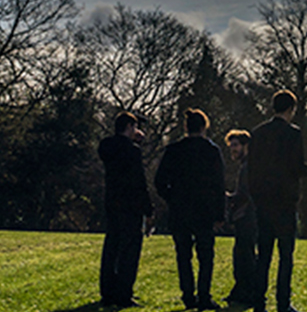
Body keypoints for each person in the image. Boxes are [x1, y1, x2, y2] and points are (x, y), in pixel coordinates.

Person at [249, 90, 307, 312]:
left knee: (264, 255)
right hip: (285, 202)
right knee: (285, 255)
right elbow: (296, 167)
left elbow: (251, 170)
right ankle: (282, 302)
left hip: (263, 202)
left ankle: (259, 301)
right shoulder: (293, 134)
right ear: (291, 109)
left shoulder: (258, 133)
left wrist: (256, 196)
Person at [156, 108, 227, 310]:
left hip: (180, 209)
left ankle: (188, 295)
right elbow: (219, 185)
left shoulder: (173, 150)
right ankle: (204, 295)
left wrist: (172, 198)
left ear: (186, 126)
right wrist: (220, 213)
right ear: (204, 126)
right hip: (204, 210)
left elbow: (159, 181)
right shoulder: (212, 151)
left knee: (183, 254)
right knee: (206, 255)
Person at [98, 111, 152, 308]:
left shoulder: (106, 146)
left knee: (111, 246)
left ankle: (107, 291)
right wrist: (148, 208)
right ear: (129, 127)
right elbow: (138, 180)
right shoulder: (132, 151)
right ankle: (123, 293)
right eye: (134, 127)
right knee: (129, 251)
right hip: (131, 205)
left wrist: (133, 143)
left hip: (112, 202)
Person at [223, 129, 257, 308]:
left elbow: (244, 194)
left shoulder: (248, 166)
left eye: (235, 145)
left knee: (244, 256)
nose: (232, 150)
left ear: (246, 146)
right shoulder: (247, 165)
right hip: (247, 215)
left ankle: (247, 291)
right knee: (243, 255)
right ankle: (242, 290)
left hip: (247, 215)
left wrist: (228, 198)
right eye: (231, 147)